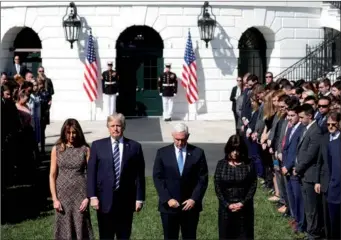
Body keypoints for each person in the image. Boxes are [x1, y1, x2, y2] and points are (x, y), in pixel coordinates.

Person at [87, 113, 146, 239]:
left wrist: (139, 199)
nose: (115, 128)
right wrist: (92, 196)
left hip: (126, 200)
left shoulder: (135, 147)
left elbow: (139, 175)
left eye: (118, 125)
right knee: (105, 235)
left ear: (123, 127)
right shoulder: (98, 146)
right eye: (112, 126)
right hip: (104, 200)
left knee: (124, 235)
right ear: (108, 127)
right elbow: (91, 173)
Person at [153, 123, 208, 240]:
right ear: (172, 136)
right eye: (177, 139)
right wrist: (168, 199)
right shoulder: (162, 153)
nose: (180, 143)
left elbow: (202, 179)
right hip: (169, 207)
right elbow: (158, 178)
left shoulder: (198, 153)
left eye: (183, 139)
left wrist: (194, 199)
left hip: (190, 206)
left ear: (188, 136)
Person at [49, 118, 94, 240]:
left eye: (74, 132)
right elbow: (52, 175)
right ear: (64, 132)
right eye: (68, 132)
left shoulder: (85, 149)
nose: (71, 136)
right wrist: (55, 199)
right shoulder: (57, 149)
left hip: (80, 195)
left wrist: (88, 197)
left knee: (81, 226)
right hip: (62, 196)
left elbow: (91, 175)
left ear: (78, 132)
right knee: (63, 227)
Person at [214, 134, 257, 240]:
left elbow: (253, 186)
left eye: (238, 150)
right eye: (233, 150)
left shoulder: (249, 164)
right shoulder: (221, 164)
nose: (235, 153)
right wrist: (227, 204)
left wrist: (242, 203)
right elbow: (217, 187)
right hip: (226, 209)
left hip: (244, 208)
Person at [294, 104, 323, 239]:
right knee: (307, 206)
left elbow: (310, 154)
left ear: (309, 116)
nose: (299, 120)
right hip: (304, 173)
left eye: (301, 117)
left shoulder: (315, 131)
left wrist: (298, 168)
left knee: (312, 208)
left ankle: (313, 234)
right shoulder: (307, 129)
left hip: (310, 174)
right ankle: (310, 230)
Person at [315, 112, 341, 240]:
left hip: (337, 185)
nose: (330, 127)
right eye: (328, 124)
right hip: (325, 181)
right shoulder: (324, 138)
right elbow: (319, 161)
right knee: (327, 215)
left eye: (333, 124)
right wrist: (317, 181)